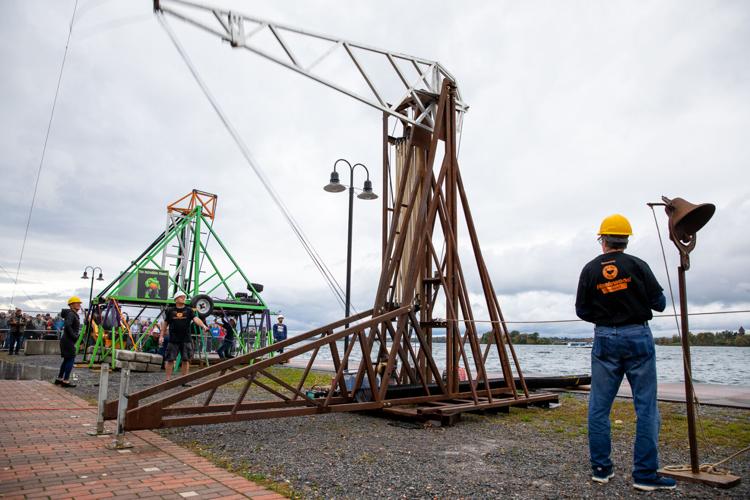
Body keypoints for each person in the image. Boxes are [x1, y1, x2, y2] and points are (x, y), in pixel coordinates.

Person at [575, 214, 675, 491]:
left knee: (598, 408)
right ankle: (644, 475)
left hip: (605, 336)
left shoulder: (590, 269)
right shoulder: (638, 265)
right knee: (646, 408)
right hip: (637, 335)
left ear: (603, 240)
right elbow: (660, 304)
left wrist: (606, 314)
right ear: (626, 240)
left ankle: (601, 469)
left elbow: (581, 310)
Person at [159, 291, 209, 384]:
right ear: (176, 299)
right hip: (173, 339)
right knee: (170, 359)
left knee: (186, 360)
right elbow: (165, 324)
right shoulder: (170, 311)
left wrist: (203, 326)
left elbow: (196, 319)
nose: (183, 298)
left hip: (186, 339)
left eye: (184, 297)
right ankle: (167, 380)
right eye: (181, 297)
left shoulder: (189, 310)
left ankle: (184, 380)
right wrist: (161, 336)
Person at [56, 297, 82, 387]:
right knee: (71, 359)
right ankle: (65, 381)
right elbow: (68, 325)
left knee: (66, 359)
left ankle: (59, 379)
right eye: (76, 303)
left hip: (66, 340)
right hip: (68, 340)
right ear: (71, 305)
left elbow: (69, 326)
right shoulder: (71, 314)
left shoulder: (72, 314)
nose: (79, 304)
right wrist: (75, 337)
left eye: (79, 303)